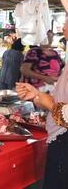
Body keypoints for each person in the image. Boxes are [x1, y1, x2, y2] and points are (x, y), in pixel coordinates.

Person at [16, 15, 68, 189]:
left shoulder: (55, 53)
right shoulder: (35, 52)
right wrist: (37, 95)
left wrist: (47, 103)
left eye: (67, 19)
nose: (63, 27)